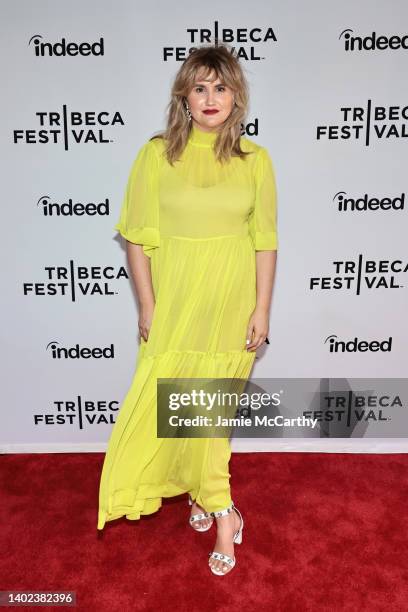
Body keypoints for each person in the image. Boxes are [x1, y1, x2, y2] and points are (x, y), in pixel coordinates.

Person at [97, 43, 278, 576]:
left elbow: (264, 241)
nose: (210, 98)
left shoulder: (256, 161)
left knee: (211, 415)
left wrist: (262, 309)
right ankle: (202, 496)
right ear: (185, 97)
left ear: (236, 96)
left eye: (220, 87)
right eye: (199, 87)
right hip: (176, 301)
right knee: (178, 409)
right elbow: (136, 240)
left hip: (230, 300)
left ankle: (221, 512)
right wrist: (148, 306)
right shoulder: (156, 156)